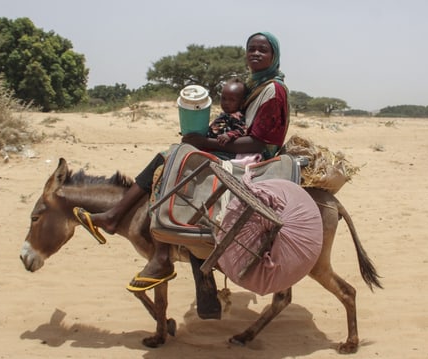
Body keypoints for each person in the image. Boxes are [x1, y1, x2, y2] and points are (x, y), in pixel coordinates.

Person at [73, 31, 290, 318]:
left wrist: (206, 143)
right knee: (174, 155)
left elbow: (260, 141)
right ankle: (135, 230)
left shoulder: (273, 90)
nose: (256, 54)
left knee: (172, 159)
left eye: (263, 50)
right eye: (251, 49)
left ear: (274, 55)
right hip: (236, 148)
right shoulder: (255, 85)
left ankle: (143, 240)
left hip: (254, 157)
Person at [207, 77, 247, 148]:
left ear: (241, 102)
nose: (226, 103)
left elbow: (243, 130)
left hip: (221, 148)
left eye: (232, 100)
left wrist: (229, 135)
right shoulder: (224, 115)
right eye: (223, 98)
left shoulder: (237, 116)